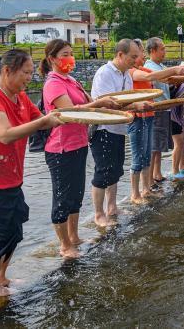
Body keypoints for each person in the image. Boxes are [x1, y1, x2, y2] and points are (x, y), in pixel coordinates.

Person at [0, 50, 64, 297]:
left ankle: (1, 277)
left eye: (30, 73)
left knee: (15, 226)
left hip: (8, 175)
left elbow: (44, 119)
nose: (30, 78)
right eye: (26, 73)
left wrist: (80, 114)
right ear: (7, 71)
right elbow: (4, 134)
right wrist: (43, 122)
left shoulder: (19, 98)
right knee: (2, 229)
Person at [40, 39, 121, 259]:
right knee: (62, 197)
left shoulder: (71, 80)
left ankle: (74, 237)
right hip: (61, 148)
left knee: (76, 194)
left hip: (79, 143)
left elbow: (89, 101)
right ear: (52, 59)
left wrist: (107, 103)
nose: (70, 58)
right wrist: (97, 105)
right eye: (65, 54)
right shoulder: (53, 83)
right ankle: (65, 245)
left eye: (71, 53)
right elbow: (71, 111)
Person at [90, 39, 151, 227]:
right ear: (120, 55)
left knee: (115, 170)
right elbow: (109, 103)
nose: (135, 60)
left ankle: (112, 207)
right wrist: (135, 106)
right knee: (103, 171)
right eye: (132, 57)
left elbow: (125, 100)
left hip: (119, 127)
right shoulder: (105, 73)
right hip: (103, 128)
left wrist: (134, 106)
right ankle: (99, 214)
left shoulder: (126, 74)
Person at [129, 39, 184, 202]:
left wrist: (182, 73)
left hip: (150, 114)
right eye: (138, 54)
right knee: (141, 154)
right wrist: (175, 69)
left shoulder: (145, 68)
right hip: (140, 116)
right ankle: (138, 191)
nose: (141, 57)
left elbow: (166, 79)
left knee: (150, 151)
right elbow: (152, 76)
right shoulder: (133, 71)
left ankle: (148, 187)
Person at [145, 37, 183, 182]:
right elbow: (161, 79)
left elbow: (168, 81)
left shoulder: (159, 66)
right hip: (158, 110)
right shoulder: (151, 67)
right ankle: (149, 181)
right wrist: (175, 71)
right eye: (162, 49)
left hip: (163, 110)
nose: (164, 52)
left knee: (159, 146)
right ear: (153, 51)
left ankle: (157, 174)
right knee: (155, 147)